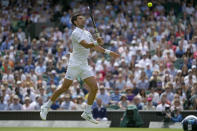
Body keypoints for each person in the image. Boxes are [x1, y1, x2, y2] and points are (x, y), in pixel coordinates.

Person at [40, 13, 120, 124]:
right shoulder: (75, 33)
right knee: (64, 88)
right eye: (80, 19)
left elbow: (95, 46)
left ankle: (87, 112)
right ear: (75, 22)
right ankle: (46, 106)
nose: (83, 20)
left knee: (95, 88)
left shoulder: (87, 33)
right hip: (74, 64)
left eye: (83, 18)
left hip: (84, 64)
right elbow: (86, 45)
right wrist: (97, 41)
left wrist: (108, 52)